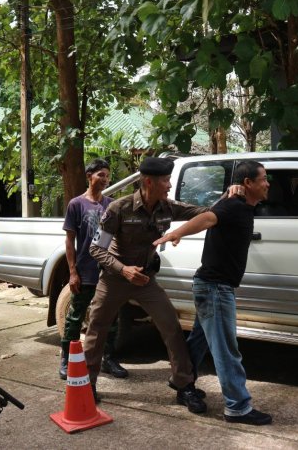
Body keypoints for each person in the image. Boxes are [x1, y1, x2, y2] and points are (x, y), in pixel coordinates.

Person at [84, 156, 209, 413]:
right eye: (165, 180)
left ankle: (184, 385)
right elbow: (96, 248)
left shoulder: (168, 208)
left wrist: (232, 195)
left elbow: (207, 213)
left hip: (146, 281)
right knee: (98, 329)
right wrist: (123, 269)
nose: (169, 185)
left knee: (171, 327)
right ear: (149, 182)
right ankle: (87, 384)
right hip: (115, 279)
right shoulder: (119, 208)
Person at [153, 160, 273, 425]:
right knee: (227, 350)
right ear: (248, 184)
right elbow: (207, 218)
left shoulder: (242, 205)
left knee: (200, 340)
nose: (267, 183)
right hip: (215, 288)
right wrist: (176, 233)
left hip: (213, 287)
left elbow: (217, 209)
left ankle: (181, 382)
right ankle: (238, 407)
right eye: (263, 179)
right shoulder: (234, 206)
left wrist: (229, 189)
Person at [60, 158, 128, 380]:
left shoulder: (111, 204)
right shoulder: (76, 204)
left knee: (111, 317)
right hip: (85, 271)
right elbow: (70, 241)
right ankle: (66, 360)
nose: (105, 179)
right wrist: (72, 272)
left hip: (108, 272)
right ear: (89, 177)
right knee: (75, 317)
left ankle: (108, 359)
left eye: (107, 175)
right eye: (101, 175)